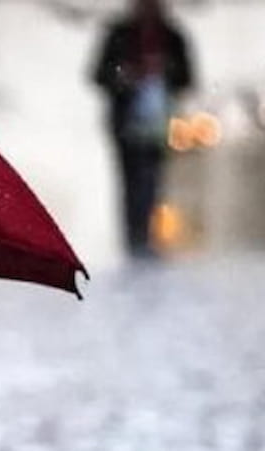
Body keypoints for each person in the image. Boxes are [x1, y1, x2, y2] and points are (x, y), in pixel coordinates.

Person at [91, 0, 194, 258]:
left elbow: (186, 77)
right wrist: (125, 77)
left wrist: (164, 72)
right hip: (126, 121)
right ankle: (133, 237)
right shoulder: (119, 35)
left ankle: (148, 234)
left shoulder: (172, 37)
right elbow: (99, 74)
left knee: (153, 181)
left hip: (158, 122)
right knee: (130, 180)